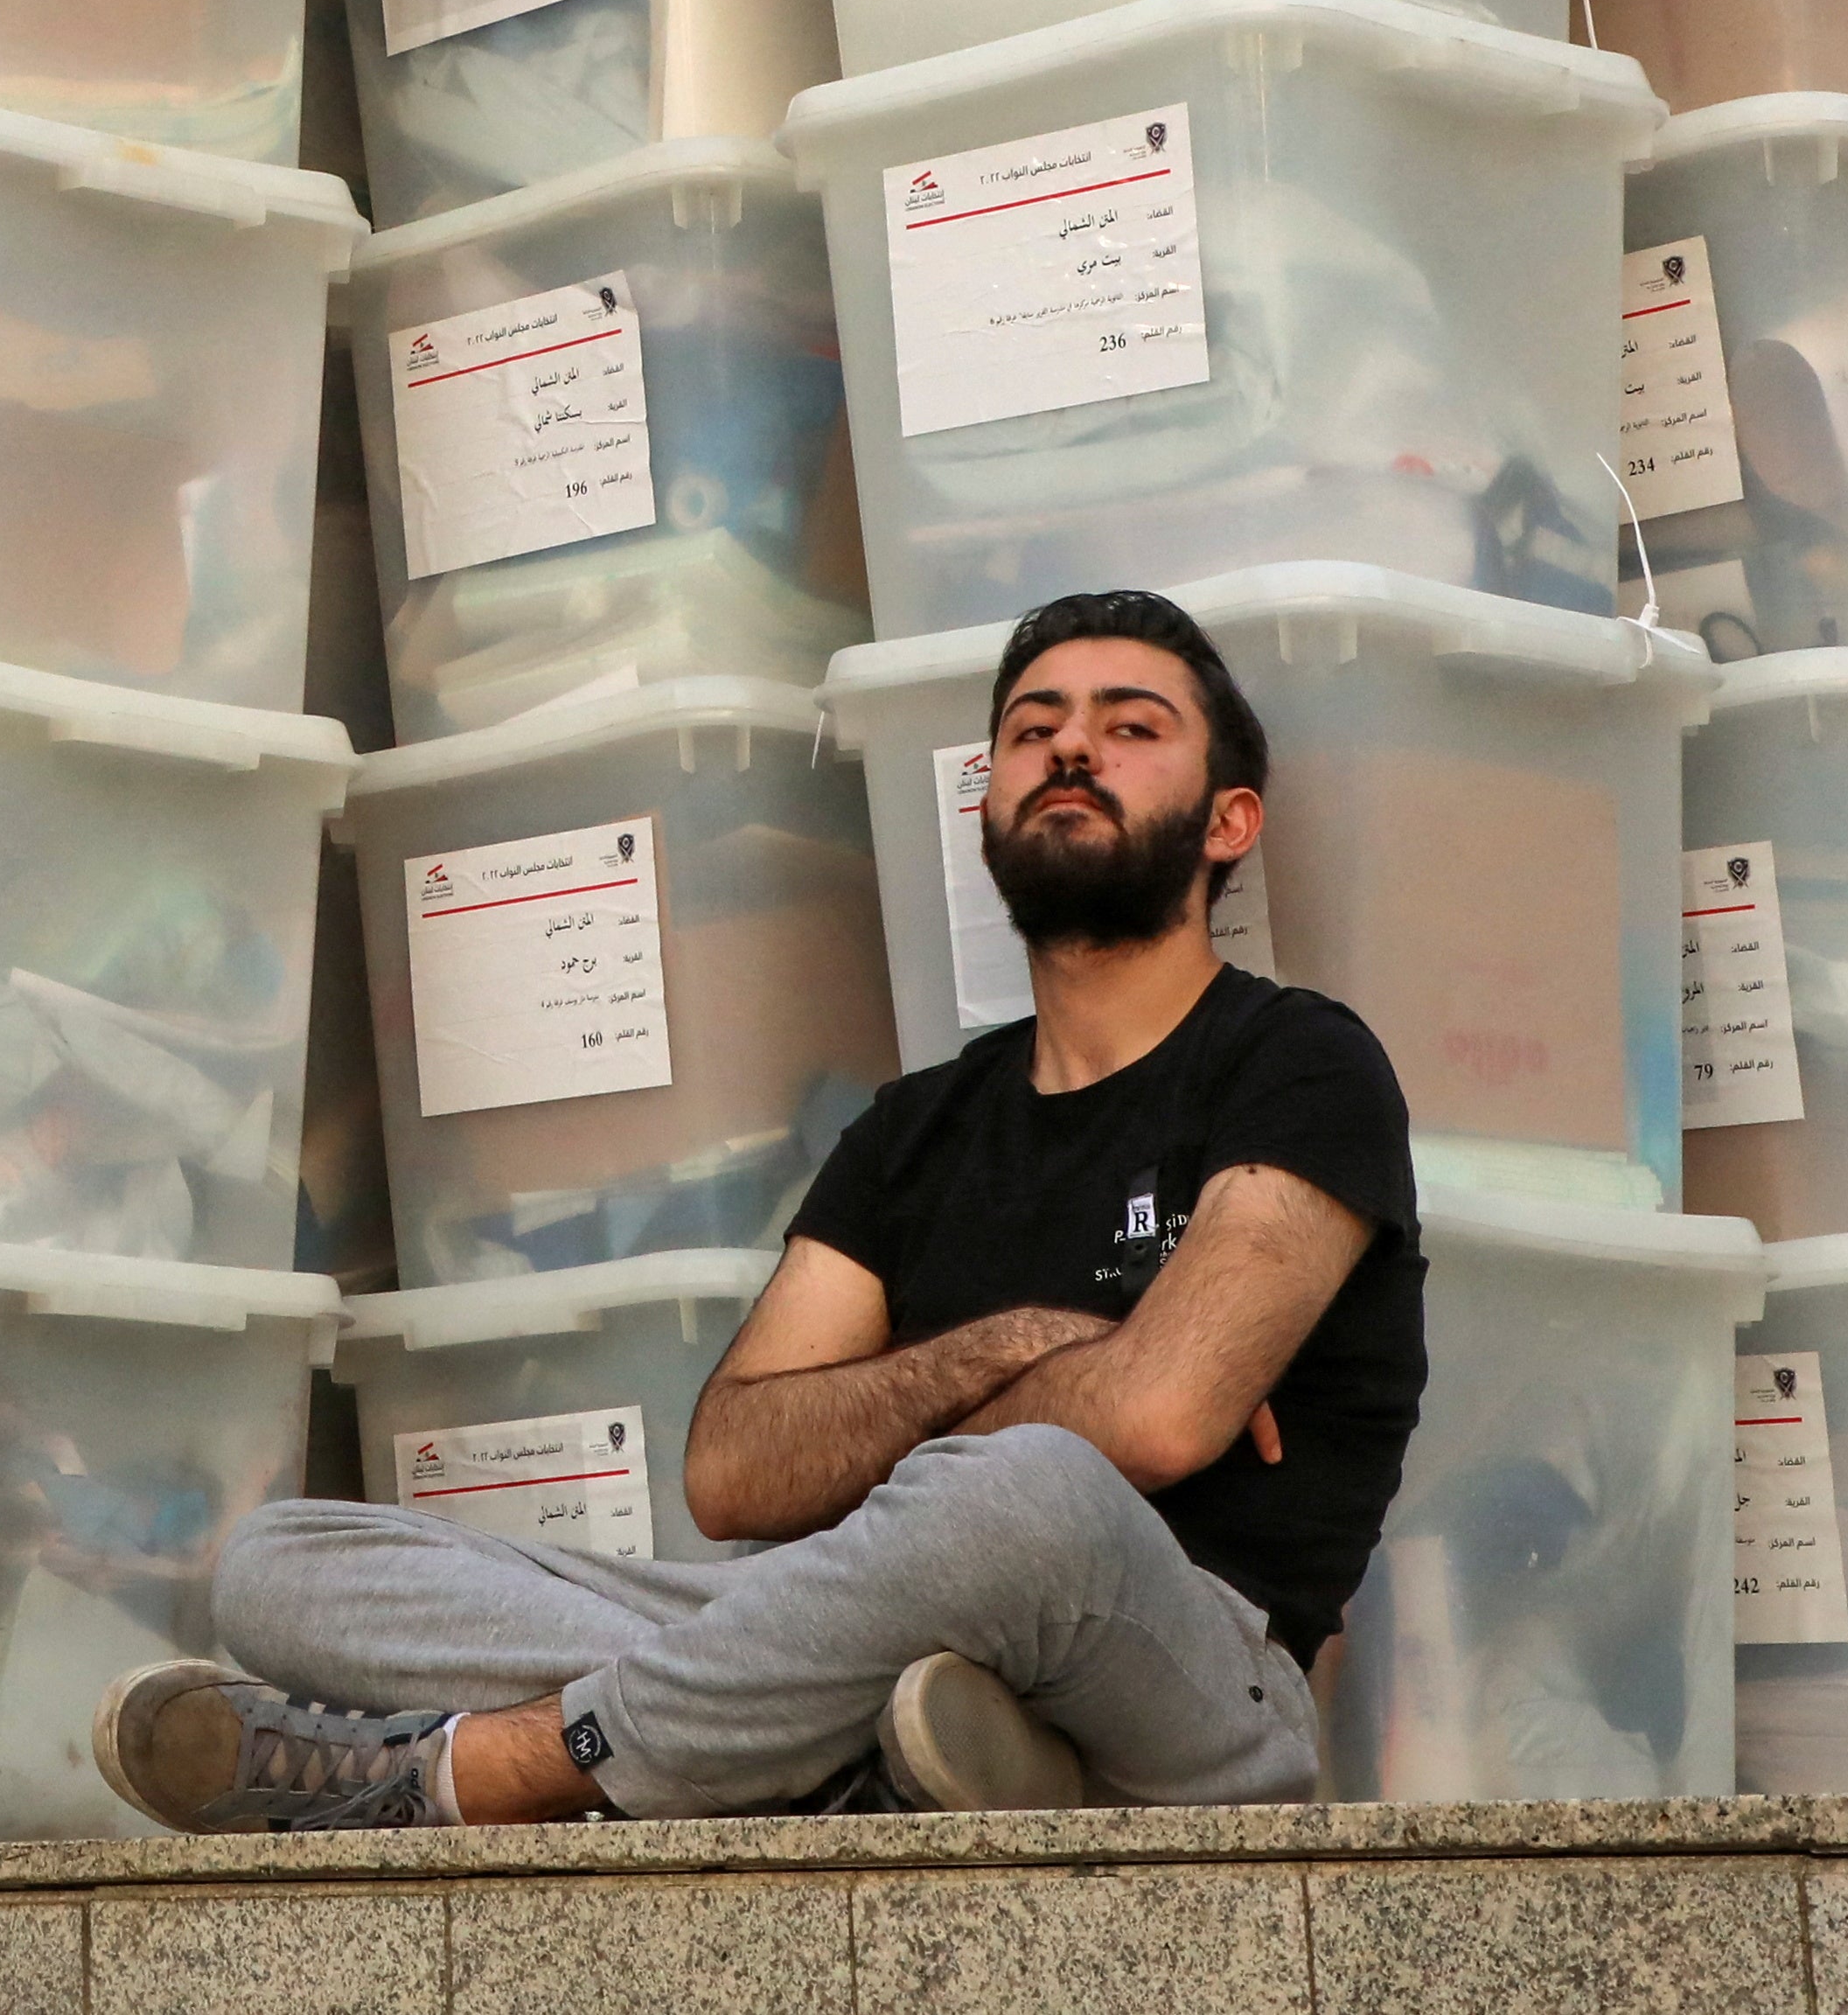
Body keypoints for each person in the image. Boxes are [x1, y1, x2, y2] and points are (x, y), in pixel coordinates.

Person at [98, 588, 1426, 1829]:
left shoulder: (1300, 1063)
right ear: (986, 801)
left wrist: (938, 1437)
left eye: (1131, 728)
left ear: (1228, 822)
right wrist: (1030, 1345)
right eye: (1034, 730)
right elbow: (735, 1471)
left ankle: (482, 1769)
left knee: (1024, 1496)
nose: (1071, 749)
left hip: (1189, 1663)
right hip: (837, 1616)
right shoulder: (919, 1128)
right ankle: (879, 1747)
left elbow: (1156, 1416)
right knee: (280, 1561)